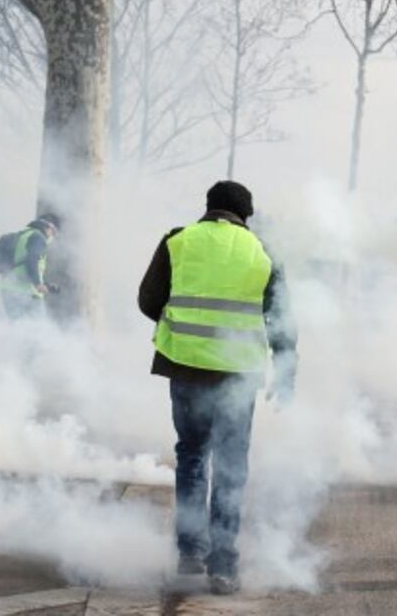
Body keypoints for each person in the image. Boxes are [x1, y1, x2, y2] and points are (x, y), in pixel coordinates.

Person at [138, 181, 298, 595]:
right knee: (230, 467)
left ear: (208, 208)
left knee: (191, 456)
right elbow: (281, 318)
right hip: (237, 375)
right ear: (246, 215)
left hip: (185, 367)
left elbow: (147, 299)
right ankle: (223, 567)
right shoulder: (261, 251)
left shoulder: (178, 241)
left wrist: (179, 321)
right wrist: (286, 371)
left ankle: (190, 552)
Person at [0, 214, 59, 320]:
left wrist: (45, 284)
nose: (52, 237)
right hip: (25, 291)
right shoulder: (38, 237)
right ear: (49, 227)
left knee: (20, 329)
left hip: (9, 289)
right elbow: (32, 259)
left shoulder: (23, 235)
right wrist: (38, 284)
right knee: (37, 330)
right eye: (53, 233)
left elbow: (24, 264)